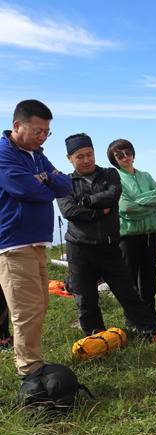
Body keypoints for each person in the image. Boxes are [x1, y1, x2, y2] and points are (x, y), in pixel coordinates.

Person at [57, 133, 156, 342]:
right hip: (79, 247)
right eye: (80, 156)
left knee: (127, 291)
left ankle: (152, 331)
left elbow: (112, 196)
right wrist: (98, 210)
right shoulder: (65, 182)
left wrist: (84, 202)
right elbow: (69, 212)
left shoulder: (110, 174)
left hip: (109, 245)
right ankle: (97, 338)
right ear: (69, 158)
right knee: (85, 296)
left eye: (89, 154)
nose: (86, 160)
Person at [0, 99, 72, 376]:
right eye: (37, 131)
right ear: (17, 125)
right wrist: (45, 182)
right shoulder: (5, 153)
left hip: (36, 242)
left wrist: (44, 180)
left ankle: (33, 362)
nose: (42, 137)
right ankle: (29, 370)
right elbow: (27, 191)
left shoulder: (36, 154)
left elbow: (64, 184)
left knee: (39, 306)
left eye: (46, 132)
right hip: (13, 242)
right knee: (26, 311)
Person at [107, 139, 156, 327]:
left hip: (150, 235)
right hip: (128, 237)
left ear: (133, 153)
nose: (125, 157)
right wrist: (149, 206)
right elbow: (125, 207)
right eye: (119, 155)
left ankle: (151, 320)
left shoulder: (146, 175)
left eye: (128, 152)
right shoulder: (115, 178)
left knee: (149, 282)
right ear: (114, 159)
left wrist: (139, 203)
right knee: (130, 281)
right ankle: (134, 322)